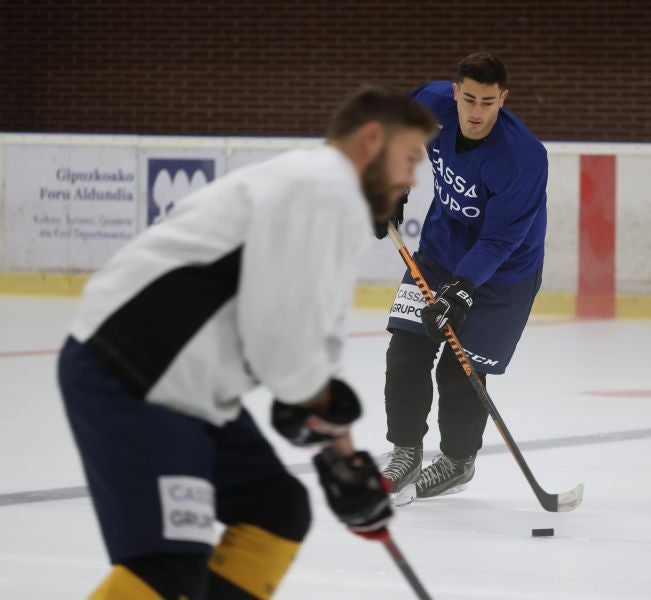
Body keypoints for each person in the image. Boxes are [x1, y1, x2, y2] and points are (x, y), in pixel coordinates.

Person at [57, 85, 438, 599]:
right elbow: (282, 344)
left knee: (274, 509)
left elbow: (312, 343)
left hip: (184, 383)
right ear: (372, 138)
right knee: (167, 568)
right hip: (135, 374)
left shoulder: (323, 193)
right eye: (410, 157)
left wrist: (342, 459)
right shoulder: (323, 188)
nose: (412, 177)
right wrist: (337, 450)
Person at [377, 53, 548, 502]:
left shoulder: (524, 158)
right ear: (454, 92)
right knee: (406, 348)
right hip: (438, 253)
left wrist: (462, 290)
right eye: (468, 98)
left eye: (487, 102)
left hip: (502, 275)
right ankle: (405, 453)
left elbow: (498, 242)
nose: (475, 113)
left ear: (503, 100)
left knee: (460, 370)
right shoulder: (432, 104)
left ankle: (456, 461)